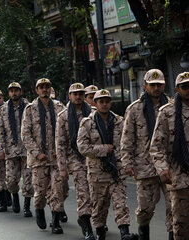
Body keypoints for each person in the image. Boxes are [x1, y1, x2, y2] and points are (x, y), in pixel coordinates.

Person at [77, 89, 138, 240]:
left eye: (107, 101)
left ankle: (125, 233)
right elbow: (82, 147)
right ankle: (99, 232)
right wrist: (104, 149)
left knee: (120, 202)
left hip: (116, 170)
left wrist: (129, 163)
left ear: (111, 103)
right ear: (95, 104)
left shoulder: (119, 121)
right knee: (99, 206)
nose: (104, 104)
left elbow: (128, 142)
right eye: (101, 102)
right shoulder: (87, 123)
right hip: (97, 172)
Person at [121, 69, 172, 240]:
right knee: (145, 209)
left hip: (169, 165)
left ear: (164, 85)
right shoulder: (135, 109)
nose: (156, 88)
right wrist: (127, 162)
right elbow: (127, 138)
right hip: (145, 165)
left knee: (175, 206)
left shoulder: (171, 107)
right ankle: (144, 234)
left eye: (159, 85)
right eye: (152, 85)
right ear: (145, 86)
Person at [21, 78, 65, 234]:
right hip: (39, 159)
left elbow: (65, 131)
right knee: (40, 193)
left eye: (47, 87)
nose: (45, 89)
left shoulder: (59, 107)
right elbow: (25, 135)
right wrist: (36, 153)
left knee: (57, 190)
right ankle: (39, 210)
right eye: (42, 87)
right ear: (37, 90)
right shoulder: (30, 109)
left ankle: (55, 221)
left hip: (56, 159)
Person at [150, 72, 189, 240]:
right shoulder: (167, 112)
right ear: (177, 89)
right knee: (180, 224)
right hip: (178, 175)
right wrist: (163, 169)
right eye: (185, 87)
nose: (188, 90)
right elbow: (156, 146)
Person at [56, 83, 95, 240]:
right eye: (75, 94)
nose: (78, 96)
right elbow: (60, 144)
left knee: (96, 194)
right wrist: (62, 168)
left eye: (81, 93)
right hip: (75, 159)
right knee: (83, 192)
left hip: (93, 158)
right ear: (70, 96)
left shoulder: (93, 113)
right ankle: (86, 226)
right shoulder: (63, 116)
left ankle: (94, 221)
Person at [0, 82, 33, 216]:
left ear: (21, 92)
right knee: (11, 180)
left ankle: (27, 206)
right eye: (11, 91)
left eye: (16, 90)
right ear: (8, 93)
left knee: (28, 180)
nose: (14, 93)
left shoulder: (29, 108)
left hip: (27, 150)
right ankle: (15, 196)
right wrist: (0, 149)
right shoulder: (3, 110)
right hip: (11, 150)